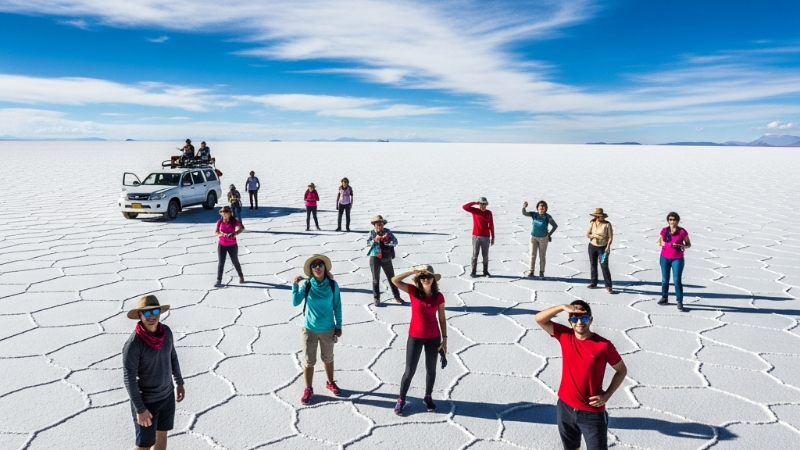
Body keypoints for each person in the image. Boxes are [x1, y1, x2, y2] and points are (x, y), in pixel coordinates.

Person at [534, 300, 627, 450]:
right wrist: (562, 307)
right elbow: (539, 318)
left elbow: (622, 370)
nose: (579, 322)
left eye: (583, 318)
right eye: (574, 318)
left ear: (590, 320)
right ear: (569, 321)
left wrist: (607, 394)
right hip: (565, 407)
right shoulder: (564, 335)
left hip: (591, 413)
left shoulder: (603, 345)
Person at [122, 295, 185, 450]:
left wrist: (179, 382)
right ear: (140, 315)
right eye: (147, 312)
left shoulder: (166, 332)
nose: (152, 316)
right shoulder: (133, 344)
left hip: (167, 396)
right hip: (147, 401)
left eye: (155, 311)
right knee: (144, 445)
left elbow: (173, 357)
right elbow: (128, 378)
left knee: (162, 435)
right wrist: (140, 409)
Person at [390, 265, 448, 416]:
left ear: (433, 279)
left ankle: (428, 397)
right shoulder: (414, 291)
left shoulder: (439, 296)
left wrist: (445, 339)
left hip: (433, 337)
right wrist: (412, 271)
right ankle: (401, 400)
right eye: (423, 277)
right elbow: (394, 280)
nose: (426, 279)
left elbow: (442, 319)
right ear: (419, 279)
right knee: (409, 371)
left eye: (429, 277)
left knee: (431, 369)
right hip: (415, 336)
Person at [291, 255, 343, 405]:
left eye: (320, 264)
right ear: (311, 270)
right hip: (309, 329)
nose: (318, 267)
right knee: (309, 361)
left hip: (328, 329)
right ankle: (308, 389)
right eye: (314, 265)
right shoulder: (307, 284)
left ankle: (330, 382)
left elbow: (337, 306)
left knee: (328, 358)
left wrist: (338, 325)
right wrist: (295, 286)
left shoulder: (333, 285)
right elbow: (295, 302)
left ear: (325, 267)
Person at [657, 212, 691, 311]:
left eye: (674, 219)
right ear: (668, 220)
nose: (672, 221)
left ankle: (679, 301)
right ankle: (664, 297)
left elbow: (688, 244)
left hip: (677, 259)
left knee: (677, 280)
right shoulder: (664, 231)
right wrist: (663, 243)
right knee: (665, 279)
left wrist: (681, 246)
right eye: (670, 219)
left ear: (677, 221)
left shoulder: (682, 232)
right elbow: (659, 241)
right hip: (664, 257)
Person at [366, 215, 402, 307]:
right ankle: (376, 298)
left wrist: (387, 241)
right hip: (374, 257)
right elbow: (367, 242)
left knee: (391, 278)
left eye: (381, 223)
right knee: (375, 279)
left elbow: (395, 241)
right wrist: (375, 240)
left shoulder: (387, 232)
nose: (379, 225)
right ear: (374, 225)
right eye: (377, 224)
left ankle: (397, 296)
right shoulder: (372, 233)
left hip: (386, 257)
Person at [522, 200, 558, 279]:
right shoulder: (534, 214)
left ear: (545, 208)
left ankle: (541, 272)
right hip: (533, 238)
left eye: (543, 206)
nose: (541, 207)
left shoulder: (547, 217)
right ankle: (531, 271)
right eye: (540, 206)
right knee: (532, 255)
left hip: (543, 239)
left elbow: (555, 226)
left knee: (542, 256)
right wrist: (524, 207)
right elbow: (524, 213)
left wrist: (549, 234)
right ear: (537, 207)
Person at [463, 197, 495, 277]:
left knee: (485, 255)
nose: (483, 206)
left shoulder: (489, 213)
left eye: (484, 204)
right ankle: (473, 271)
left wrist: (493, 237)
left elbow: (491, 225)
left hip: (486, 237)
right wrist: (475, 202)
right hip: (476, 236)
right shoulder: (475, 211)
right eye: (481, 204)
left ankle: (485, 271)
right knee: (475, 254)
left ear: (487, 204)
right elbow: (465, 207)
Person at [215, 206, 244, 287]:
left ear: (229, 213)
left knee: (235, 261)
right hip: (222, 244)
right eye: (223, 214)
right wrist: (221, 233)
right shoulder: (220, 222)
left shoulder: (234, 221)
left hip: (232, 245)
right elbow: (216, 232)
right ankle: (219, 279)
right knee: (221, 262)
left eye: (226, 214)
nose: (224, 215)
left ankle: (241, 276)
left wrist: (235, 233)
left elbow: (242, 228)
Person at [586, 208, 613, 293]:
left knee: (604, 266)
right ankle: (594, 282)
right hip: (592, 246)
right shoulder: (592, 223)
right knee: (593, 265)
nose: (598, 218)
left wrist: (608, 246)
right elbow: (587, 234)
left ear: (603, 217)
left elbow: (610, 237)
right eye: (596, 217)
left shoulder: (607, 224)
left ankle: (608, 285)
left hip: (603, 248)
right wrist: (593, 236)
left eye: (599, 217)